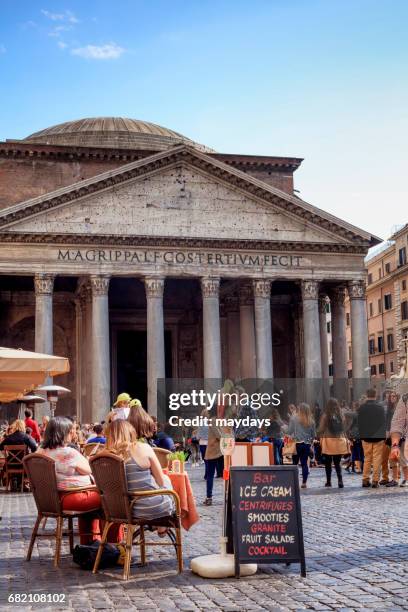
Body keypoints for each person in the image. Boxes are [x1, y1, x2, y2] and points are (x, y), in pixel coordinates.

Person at [37, 417, 121, 544]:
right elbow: (90, 469)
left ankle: (90, 543)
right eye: (72, 431)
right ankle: (115, 545)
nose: (74, 434)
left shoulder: (40, 452)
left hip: (51, 500)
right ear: (63, 433)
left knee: (91, 505)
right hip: (72, 498)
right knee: (112, 499)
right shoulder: (68, 452)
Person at [106, 419, 173, 533]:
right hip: (150, 508)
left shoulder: (105, 456)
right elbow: (160, 480)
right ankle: (162, 525)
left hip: (121, 510)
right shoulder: (143, 448)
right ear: (131, 432)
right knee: (166, 480)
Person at [357, 388, 387, 488]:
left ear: (366, 395)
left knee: (367, 459)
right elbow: (383, 423)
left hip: (366, 437)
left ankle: (365, 479)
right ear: (376, 395)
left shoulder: (361, 408)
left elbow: (359, 424)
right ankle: (375, 480)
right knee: (377, 459)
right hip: (378, 437)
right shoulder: (380, 408)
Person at [318, 398, 347, 488]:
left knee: (328, 462)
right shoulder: (340, 414)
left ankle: (328, 481)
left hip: (328, 440)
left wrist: (318, 433)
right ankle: (340, 481)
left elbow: (321, 428)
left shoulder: (325, 415)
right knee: (337, 462)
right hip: (338, 440)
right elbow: (344, 426)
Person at [286, 403, 316, 488]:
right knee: (304, 463)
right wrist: (310, 443)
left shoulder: (294, 418)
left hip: (296, 444)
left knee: (294, 463)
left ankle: (294, 482)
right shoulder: (311, 420)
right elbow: (313, 435)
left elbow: (289, 431)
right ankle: (304, 483)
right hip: (306, 444)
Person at [389, 393, 408, 487]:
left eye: (394, 396)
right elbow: (397, 422)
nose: (393, 398)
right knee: (399, 458)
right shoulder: (404, 399)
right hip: (403, 436)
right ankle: (398, 478)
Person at [381, 391, 399, 486]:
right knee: (391, 458)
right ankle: (393, 478)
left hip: (398, 435)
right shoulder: (389, 408)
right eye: (391, 396)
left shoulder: (401, 408)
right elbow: (387, 422)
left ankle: (396, 479)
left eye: (394, 396)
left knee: (395, 457)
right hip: (390, 435)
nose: (392, 397)